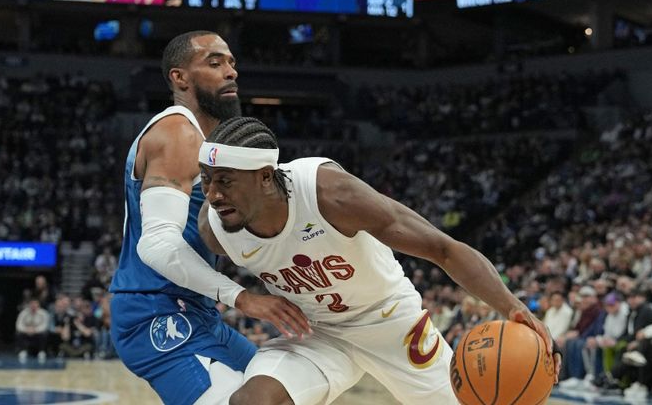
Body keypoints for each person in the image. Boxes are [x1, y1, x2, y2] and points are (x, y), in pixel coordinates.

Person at [196, 117, 560, 405]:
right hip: (316, 331)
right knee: (253, 401)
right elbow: (180, 262)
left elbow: (443, 248)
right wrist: (242, 297)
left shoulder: (331, 195)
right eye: (207, 179)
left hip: (390, 321)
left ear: (263, 176)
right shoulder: (217, 228)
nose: (213, 194)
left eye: (225, 181)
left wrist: (512, 307)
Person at [109, 32, 310, 405]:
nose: (230, 72)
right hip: (156, 312)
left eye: (232, 63)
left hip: (197, 310)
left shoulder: (210, 141)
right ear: (179, 78)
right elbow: (157, 245)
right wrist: (244, 299)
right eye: (215, 63)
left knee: (284, 395)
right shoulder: (178, 132)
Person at [15, 298, 49, 362]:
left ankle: (41, 351)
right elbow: (18, 325)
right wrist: (26, 329)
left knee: (44, 334)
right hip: (26, 332)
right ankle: (22, 351)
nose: (33, 306)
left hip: (38, 333)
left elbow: (45, 326)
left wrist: (35, 330)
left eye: (35, 304)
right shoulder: (23, 313)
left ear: (38, 305)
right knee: (18, 333)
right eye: (32, 304)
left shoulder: (43, 313)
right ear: (29, 305)